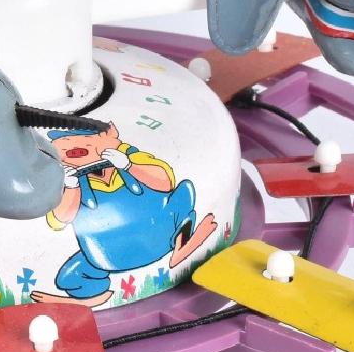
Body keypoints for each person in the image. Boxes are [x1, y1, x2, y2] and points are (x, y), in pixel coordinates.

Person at [30, 123, 217, 308]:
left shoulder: (130, 157)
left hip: (162, 235)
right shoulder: (63, 179)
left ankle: (181, 244)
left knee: (184, 190)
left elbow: (165, 182)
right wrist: (71, 187)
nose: (71, 143)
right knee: (69, 277)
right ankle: (92, 298)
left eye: (85, 137)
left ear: (110, 135)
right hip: (108, 256)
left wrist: (129, 165)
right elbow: (60, 219)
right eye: (63, 141)